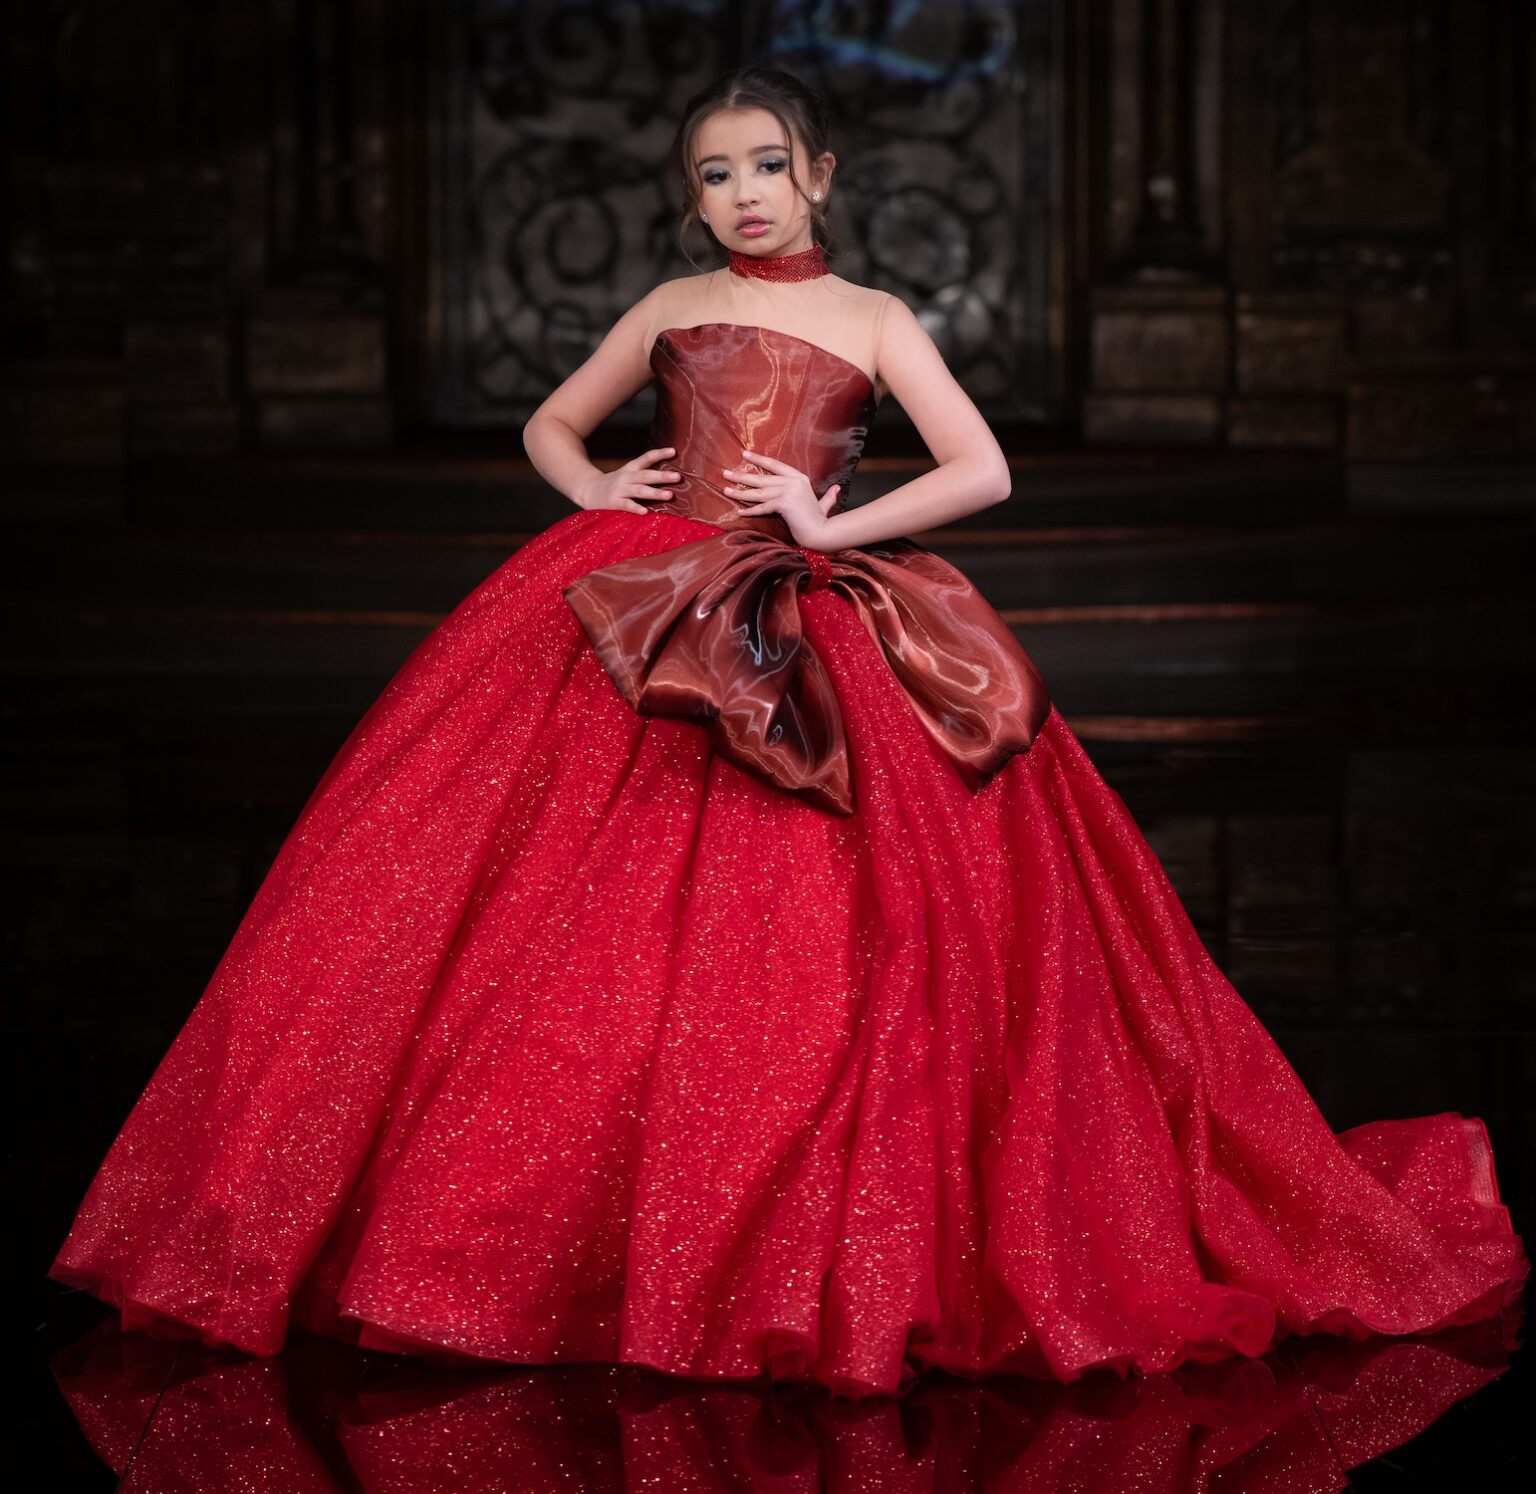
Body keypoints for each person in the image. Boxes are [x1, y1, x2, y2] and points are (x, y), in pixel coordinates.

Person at [49, 67, 1527, 1400]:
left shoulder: (873, 318)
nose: (742, 193)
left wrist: (834, 527)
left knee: (833, 921)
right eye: (713, 172)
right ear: (690, 194)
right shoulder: (669, 311)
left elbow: (985, 468)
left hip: (802, 618)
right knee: (554, 917)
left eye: (766, 164)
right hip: (648, 611)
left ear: (819, 174)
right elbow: (549, 424)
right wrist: (590, 494)